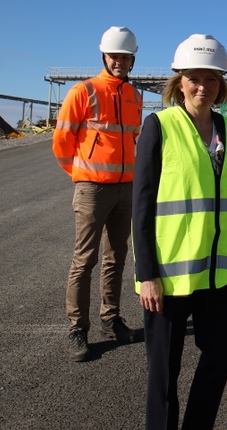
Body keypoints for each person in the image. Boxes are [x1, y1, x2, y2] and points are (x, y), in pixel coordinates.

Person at [132, 34, 227, 430]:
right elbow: (143, 205)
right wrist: (145, 274)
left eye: (212, 79)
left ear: (222, 85)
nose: (203, 87)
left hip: (218, 273)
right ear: (179, 83)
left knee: (224, 351)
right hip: (168, 275)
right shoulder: (160, 126)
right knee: (164, 372)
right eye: (194, 79)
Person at [53, 25, 143, 362]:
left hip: (125, 188)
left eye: (125, 57)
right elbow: (62, 143)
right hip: (92, 188)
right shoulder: (83, 91)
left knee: (116, 256)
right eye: (114, 56)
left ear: (132, 59)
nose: (120, 61)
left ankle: (111, 319)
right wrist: (81, 176)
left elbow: (133, 139)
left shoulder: (135, 95)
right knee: (84, 259)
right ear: (104, 56)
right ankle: (78, 327)